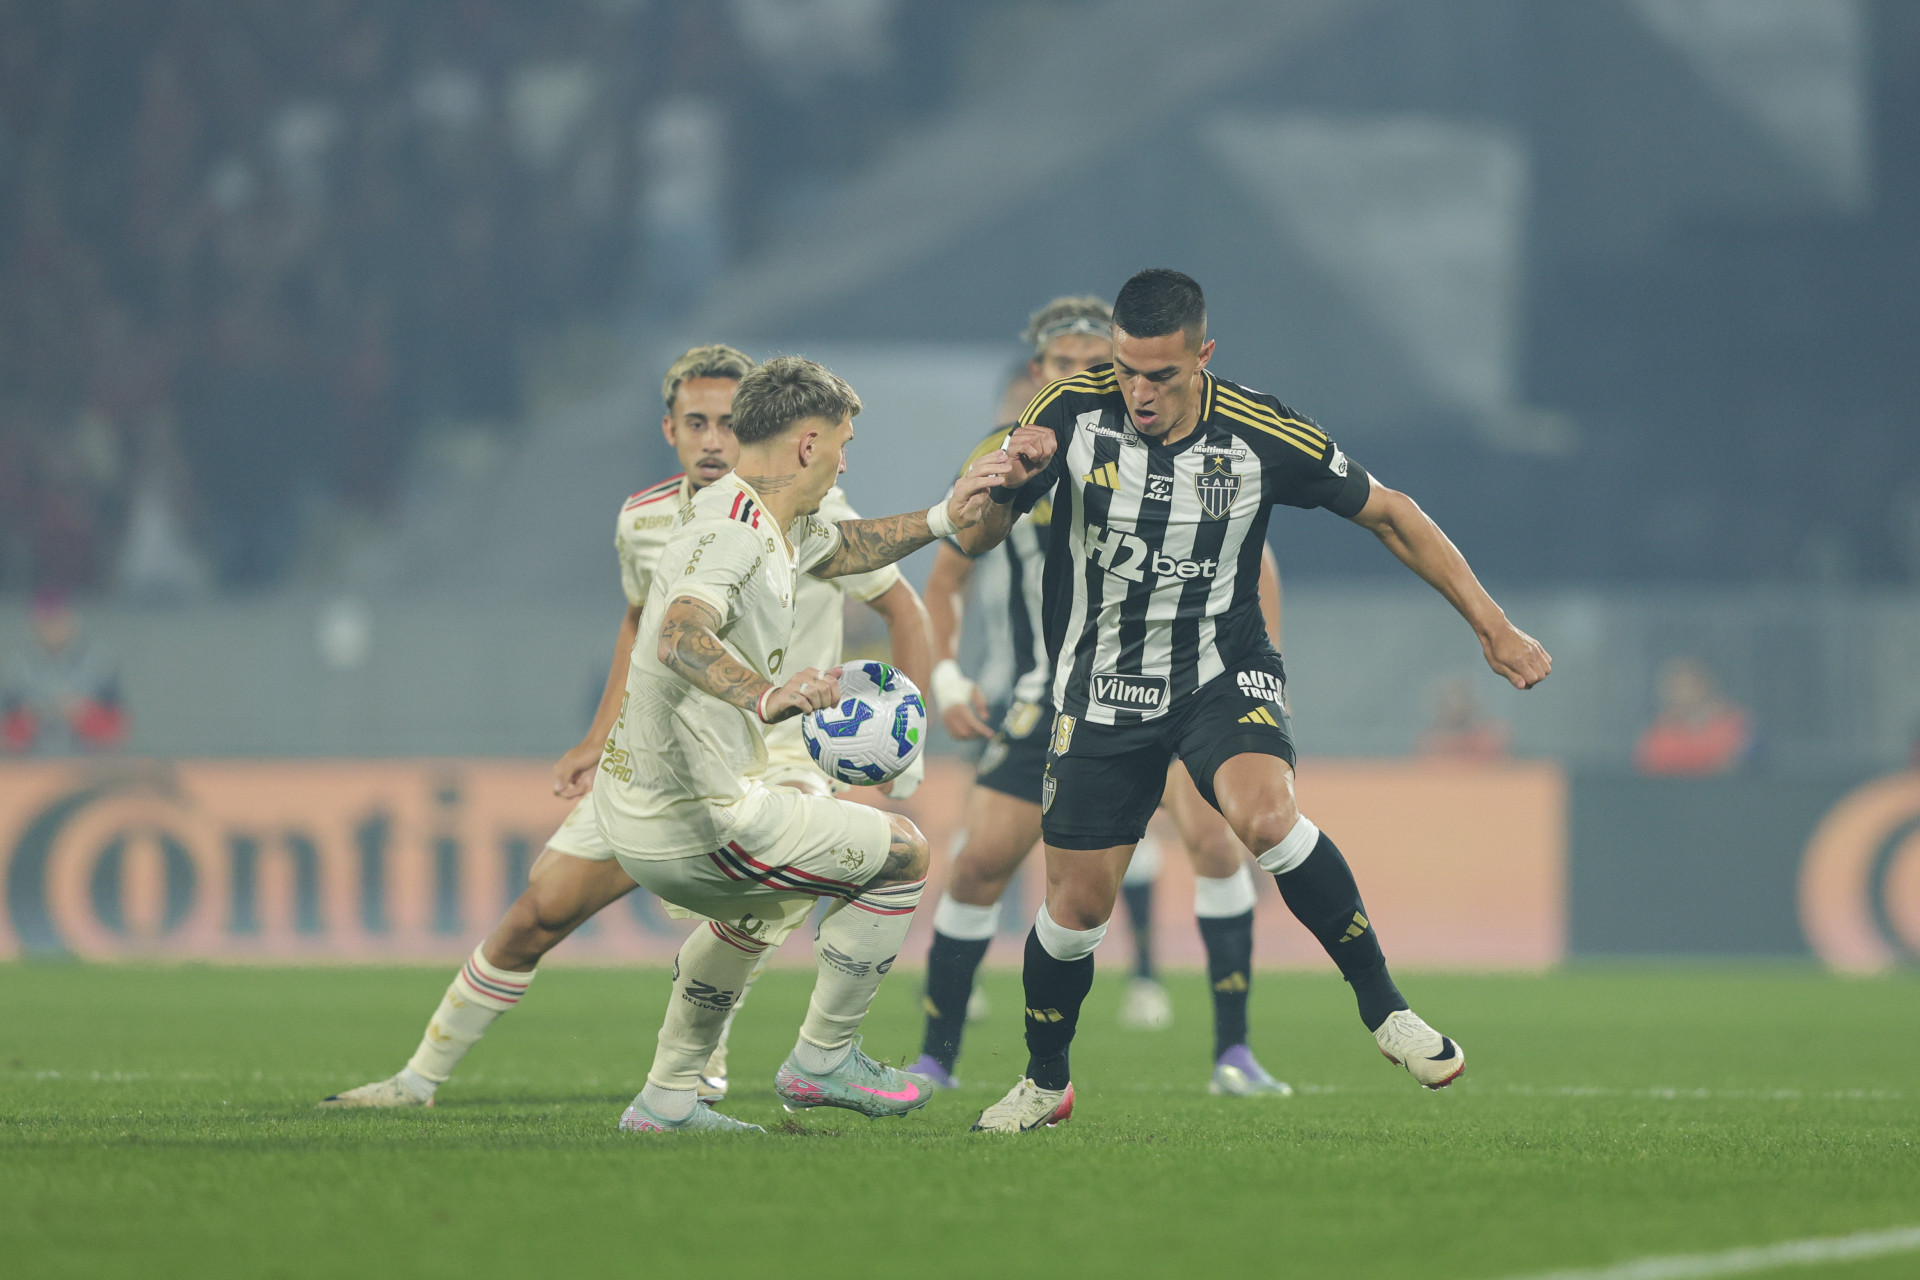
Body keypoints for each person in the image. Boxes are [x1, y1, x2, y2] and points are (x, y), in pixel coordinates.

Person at [959, 269, 1553, 1132]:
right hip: (1100, 688)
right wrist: (1004, 486)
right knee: (1075, 911)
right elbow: (981, 537)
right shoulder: (1067, 411)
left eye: (1161, 375)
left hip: (1220, 670)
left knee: (1266, 818)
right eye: (1126, 371)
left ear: (1203, 356)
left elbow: (1392, 514)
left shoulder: (1260, 431)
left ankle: (1386, 1010)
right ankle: (1046, 1080)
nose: (1139, 392)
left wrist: (1493, 628)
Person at [320, 345, 932, 1110]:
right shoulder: (645, 520)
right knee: (542, 909)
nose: (715, 440)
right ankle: (416, 1081)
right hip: (665, 757)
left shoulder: (810, 508)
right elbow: (647, 626)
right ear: (669, 430)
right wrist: (597, 733)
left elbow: (899, 603)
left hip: (778, 756)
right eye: (697, 423)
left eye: (729, 422)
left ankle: (692, 1076)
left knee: (756, 909)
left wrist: (906, 737)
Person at [598, 355, 1009, 1133]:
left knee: (763, 909)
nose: (845, 463)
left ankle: (667, 1101)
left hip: (644, 801)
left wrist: (943, 517)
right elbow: (680, 633)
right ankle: (824, 1057)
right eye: (844, 446)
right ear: (809, 444)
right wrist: (766, 693)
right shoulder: (731, 533)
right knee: (903, 854)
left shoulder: (757, 511)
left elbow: (847, 548)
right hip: (692, 818)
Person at [914, 296, 1292, 1097]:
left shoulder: (1171, 444)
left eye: (1098, 366)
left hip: (1172, 687)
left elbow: (1255, 564)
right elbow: (946, 573)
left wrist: (1253, 683)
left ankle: (1234, 1053)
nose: (1083, 380)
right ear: (1038, 373)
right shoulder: (1006, 454)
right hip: (1046, 692)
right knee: (978, 864)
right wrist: (944, 674)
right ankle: (936, 1060)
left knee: (1216, 844)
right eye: (1065, 366)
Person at [1, 592, 127, 755]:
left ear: (71, 620)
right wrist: (34, 716)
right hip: (33, 763)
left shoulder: (99, 663)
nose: (51, 629)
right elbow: (7, 737)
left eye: (57, 620)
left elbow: (117, 732)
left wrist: (82, 713)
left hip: (86, 763)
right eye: (45, 621)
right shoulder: (18, 668)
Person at [1633, 657, 1751, 777]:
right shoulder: (1659, 732)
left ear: (1705, 685)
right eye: (1673, 687)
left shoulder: (1735, 725)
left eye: (1685, 686)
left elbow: (1731, 765)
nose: (1677, 695)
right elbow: (1650, 767)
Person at [1417, 673, 1511, 763]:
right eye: (1450, 700)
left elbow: (1499, 766)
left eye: (1462, 697)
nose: (1457, 704)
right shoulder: (1432, 742)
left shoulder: (1488, 738)